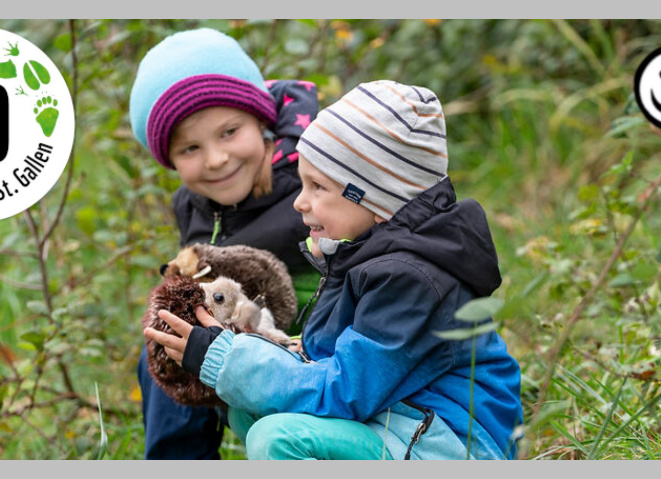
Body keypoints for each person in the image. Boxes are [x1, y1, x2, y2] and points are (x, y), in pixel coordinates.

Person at [144, 80, 524, 460]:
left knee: (276, 438)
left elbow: (345, 390)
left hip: (453, 442)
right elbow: (332, 361)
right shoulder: (365, 251)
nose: (299, 203)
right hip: (405, 420)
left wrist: (227, 358)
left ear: (375, 196)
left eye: (317, 187)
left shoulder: (411, 279)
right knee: (248, 408)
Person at [128, 27, 320, 460]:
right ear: (170, 159)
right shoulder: (191, 205)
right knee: (168, 339)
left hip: (315, 348)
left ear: (261, 119)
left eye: (229, 132)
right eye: (190, 148)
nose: (216, 159)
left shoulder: (310, 180)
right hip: (241, 341)